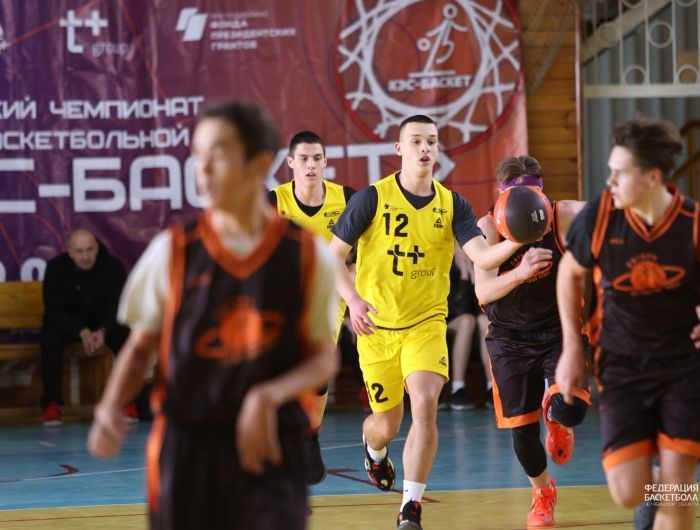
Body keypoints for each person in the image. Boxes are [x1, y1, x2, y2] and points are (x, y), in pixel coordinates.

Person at [87, 101, 339, 530]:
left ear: (259, 164)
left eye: (217, 154)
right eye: (197, 154)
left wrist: (268, 395)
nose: (201, 168)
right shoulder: (173, 250)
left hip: (272, 439)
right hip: (188, 442)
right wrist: (110, 407)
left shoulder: (309, 256)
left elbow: (323, 359)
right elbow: (141, 346)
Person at [328, 114, 522, 530]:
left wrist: (516, 241)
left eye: (431, 141)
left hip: (426, 324)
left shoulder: (453, 205)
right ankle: (374, 449)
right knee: (387, 425)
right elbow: (332, 257)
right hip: (376, 328)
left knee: (425, 408)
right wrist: (354, 300)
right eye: (415, 141)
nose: (425, 148)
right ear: (399, 149)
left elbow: (481, 256)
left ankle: (410, 508)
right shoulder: (372, 198)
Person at [556, 117, 699, 530]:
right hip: (621, 363)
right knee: (628, 492)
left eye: (619, 172)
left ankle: (674, 485)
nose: (610, 181)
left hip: (684, 366)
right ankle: (661, 482)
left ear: (652, 177)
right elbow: (569, 274)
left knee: (679, 492)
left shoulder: (692, 224)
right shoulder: (601, 215)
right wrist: (571, 348)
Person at [473, 155, 590, 528]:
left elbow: (613, 214)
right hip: (509, 338)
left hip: (559, 328)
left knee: (571, 409)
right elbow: (483, 292)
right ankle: (543, 493)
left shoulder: (563, 214)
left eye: (535, 194)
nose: (528, 204)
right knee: (522, 433)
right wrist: (520, 271)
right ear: (502, 196)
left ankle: (556, 416)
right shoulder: (488, 227)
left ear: (543, 192)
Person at [268, 130, 356, 485]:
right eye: (303, 159)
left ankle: (309, 436)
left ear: (325, 162)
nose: (310, 165)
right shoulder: (273, 202)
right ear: (290, 163)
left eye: (316, 158)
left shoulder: (346, 199)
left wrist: (355, 273)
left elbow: (367, 248)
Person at [40, 229, 131, 426]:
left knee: (126, 335)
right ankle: (52, 403)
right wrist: (81, 332)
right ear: (70, 252)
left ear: (97, 248)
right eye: (79, 251)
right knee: (50, 335)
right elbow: (55, 310)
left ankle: (129, 401)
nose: (85, 256)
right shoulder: (55, 268)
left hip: (103, 326)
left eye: (90, 250)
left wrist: (103, 331)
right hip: (71, 327)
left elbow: (118, 307)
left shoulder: (113, 267)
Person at [446, 242, 492, 410]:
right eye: (460, 248)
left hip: (472, 322)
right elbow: (457, 309)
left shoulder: (479, 266)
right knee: (467, 321)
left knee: (484, 321)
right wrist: (465, 276)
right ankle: (457, 388)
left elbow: (482, 308)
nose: (464, 252)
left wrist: (473, 276)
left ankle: (492, 387)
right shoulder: (446, 267)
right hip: (448, 321)